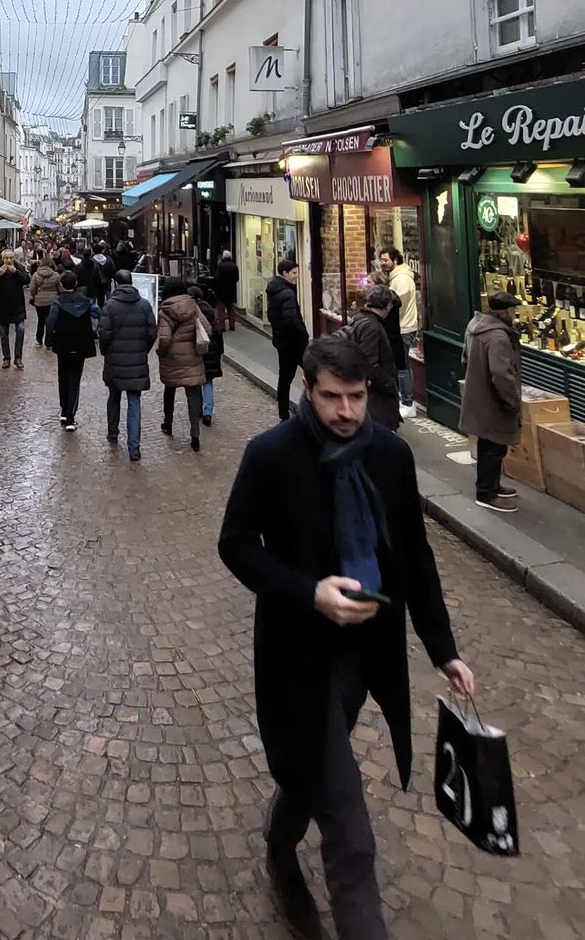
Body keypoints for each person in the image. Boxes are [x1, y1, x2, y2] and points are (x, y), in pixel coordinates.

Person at [217, 336, 475, 940]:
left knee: (307, 772)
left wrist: (445, 650)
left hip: (363, 658)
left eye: (356, 397)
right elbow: (235, 545)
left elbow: (414, 556)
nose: (346, 412)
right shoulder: (271, 455)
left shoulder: (390, 456)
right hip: (295, 661)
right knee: (350, 832)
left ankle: (280, 840)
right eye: (332, 397)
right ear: (308, 390)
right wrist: (310, 593)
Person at [459, 290, 522, 513]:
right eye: (513, 309)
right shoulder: (498, 336)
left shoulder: (475, 325)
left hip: (479, 395)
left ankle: (492, 485)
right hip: (493, 401)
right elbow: (501, 374)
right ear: (505, 311)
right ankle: (486, 493)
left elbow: (465, 358)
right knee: (494, 448)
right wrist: (512, 400)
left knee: (489, 444)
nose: (515, 314)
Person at [98, 270, 157, 461]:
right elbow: (151, 333)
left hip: (115, 361)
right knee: (134, 402)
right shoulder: (145, 305)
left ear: (116, 283)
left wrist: (107, 352)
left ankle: (113, 433)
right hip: (136, 362)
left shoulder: (110, 306)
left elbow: (104, 335)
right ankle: (134, 448)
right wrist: (142, 351)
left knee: (114, 397)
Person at [339, 286, 401, 431]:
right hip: (375, 400)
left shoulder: (361, 319)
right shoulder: (371, 326)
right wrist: (389, 383)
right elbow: (370, 364)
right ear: (385, 306)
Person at [45, 270, 100, 431]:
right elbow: (98, 313)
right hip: (80, 343)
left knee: (63, 377)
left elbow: (51, 322)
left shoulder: (58, 302)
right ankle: (70, 416)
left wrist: (48, 340)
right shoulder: (86, 301)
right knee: (75, 379)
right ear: (75, 284)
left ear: (61, 284)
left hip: (62, 343)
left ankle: (64, 411)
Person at [157, 278, 206, 451]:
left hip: (172, 358)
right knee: (193, 393)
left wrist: (161, 352)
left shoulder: (165, 311)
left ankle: (168, 423)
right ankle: (195, 433)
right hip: (192, 356)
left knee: (169, 390)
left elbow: (164, 338)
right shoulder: (194, 307)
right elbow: (206, 328)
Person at [267, 258, 309, 421]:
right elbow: (291, 319)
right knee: (314, 373)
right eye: (294, 273)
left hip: (282, 342)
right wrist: (304, 335)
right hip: (294, 343)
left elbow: (273, 316)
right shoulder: (287, 293)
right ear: (285, 273)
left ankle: (283, 414)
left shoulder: (275, 290)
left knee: (284, 378)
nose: (297, 276)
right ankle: (312, 409)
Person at [379, 247, 419, 418]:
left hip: (403, 328)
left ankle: (408, 402)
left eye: (386, 260)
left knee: (402, 366)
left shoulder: (401, 279)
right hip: (400, 327)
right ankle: (405, 399)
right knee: (400, 365)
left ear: (395, 260)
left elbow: (396, 305)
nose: (383, 263)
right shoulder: (396, 277)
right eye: (381, 259)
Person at [188, 284, 224, 426]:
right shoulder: (210, 310)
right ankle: (208, 411)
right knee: (208, 382)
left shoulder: (192, 313)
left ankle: (198, 410)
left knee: (197, 382)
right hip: (212, 352)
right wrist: (220, 351)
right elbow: (218, 332)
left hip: (198, 351)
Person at [0, 249, 30, 370]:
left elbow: (27, 280)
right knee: (3, 334)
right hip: (3, 306)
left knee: (20, 330)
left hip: (17, 306)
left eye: (10, 258)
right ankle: (6, 358)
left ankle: (18, 358)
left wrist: (16, 272)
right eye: (6, 258)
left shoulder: (18, 267)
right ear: (2, 259)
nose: (8, 261)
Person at [29, 257, 63, 348]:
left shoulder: (36, 275)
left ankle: (38, 340)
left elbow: (32, 289)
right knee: (51, 321)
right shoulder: (56, 275)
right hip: (52, 301)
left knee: (41, 320)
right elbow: (60, 289)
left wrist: (35, 295)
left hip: (39, 301)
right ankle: (49, 342)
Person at [214, 249, 240, 332]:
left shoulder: (220, 266)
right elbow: (237, 278)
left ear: (223, 257)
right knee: (230, 308)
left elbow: (217, 278)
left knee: (221, 308)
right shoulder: (234, 266)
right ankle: (232, 325)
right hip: (231, 289)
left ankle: (222, 327)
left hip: (221, 290)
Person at [89, 243, 116, 308]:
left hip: (95, 284)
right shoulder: (108, 259)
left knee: (98, 301)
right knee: (109, 300)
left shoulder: (92, 261)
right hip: (107, 282)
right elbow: (113, 269)